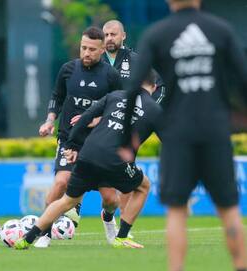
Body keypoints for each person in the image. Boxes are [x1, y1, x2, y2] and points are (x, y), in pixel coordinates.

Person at [121, 0, 247, 271]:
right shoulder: (221, 30)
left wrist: (126, 139)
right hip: (215, 130)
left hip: (178, 134)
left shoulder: (157, 34)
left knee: (177, 210)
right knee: (228, 208)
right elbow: (243, 81)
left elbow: (132, 90)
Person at [15, 71, 161, 250]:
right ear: (154, 87)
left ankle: (27, 238)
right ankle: (121, 237)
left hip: (88, 153)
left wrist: (71, 146)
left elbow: (84, 118)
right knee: (143, 186)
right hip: (116, 159)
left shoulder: (115, 96)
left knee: (67, 201)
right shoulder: (154, 109)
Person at [37, 26, 121, 248]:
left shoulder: (111, 76)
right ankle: (44, 233)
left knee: (111, 199)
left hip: (99, 144)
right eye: (83, 48)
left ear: (102, 50)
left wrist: (96, 120)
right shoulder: (67, 70)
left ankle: (108, 217)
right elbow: (57, 97)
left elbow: (119, 108)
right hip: (69, 140)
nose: (86, 53)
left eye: (92, 49)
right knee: (60, 183)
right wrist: (49, 120)